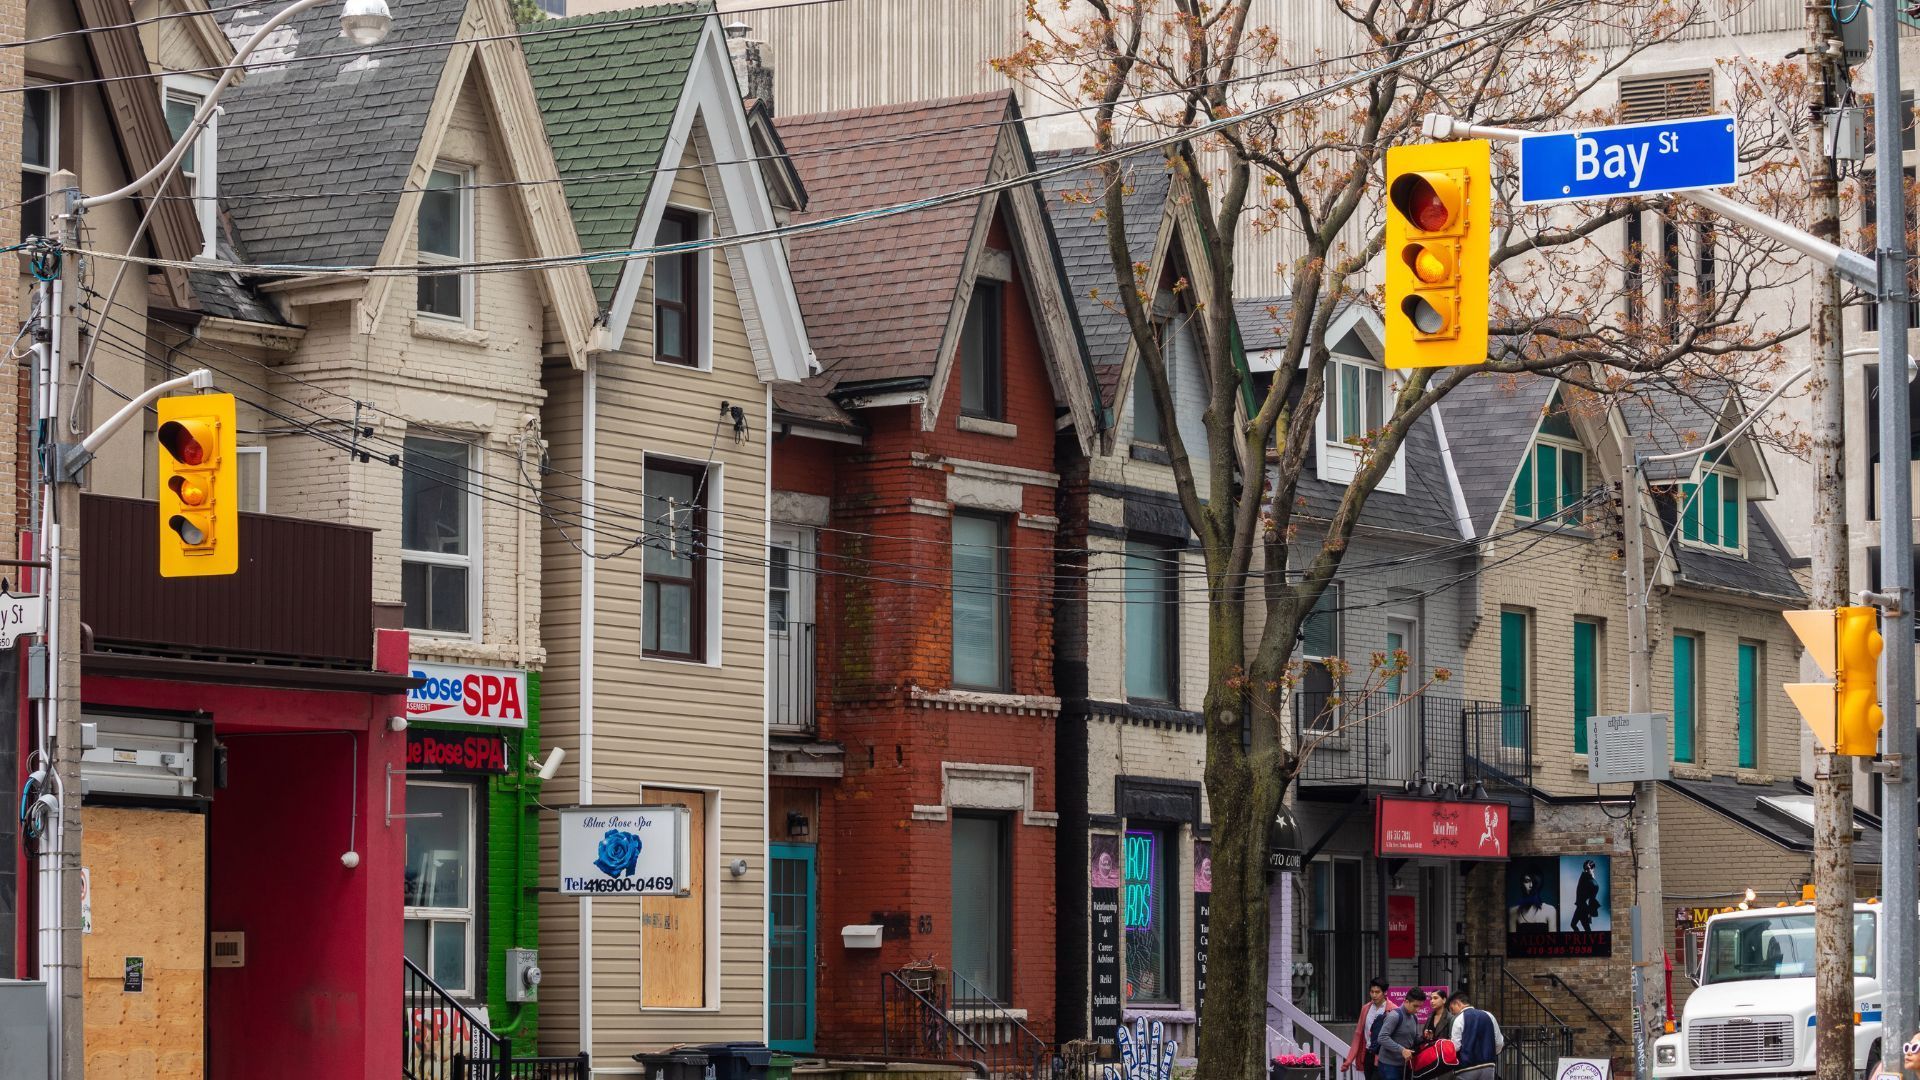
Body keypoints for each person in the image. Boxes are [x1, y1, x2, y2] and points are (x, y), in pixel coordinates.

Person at [1344, 979, 1391, 1078]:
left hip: (1383, 1055)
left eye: (1377, 992)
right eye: (1372, 992)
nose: (1374, 995)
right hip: (1367, 1054)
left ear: (1385, 993)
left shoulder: (1392, 1009)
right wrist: (1349, 1060)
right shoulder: (1366, 1008)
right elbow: (1358, 1034)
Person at [1447, 991, 1505, 1069]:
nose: (1452, 1012)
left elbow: (1455, 1047)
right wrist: (1491, 1054)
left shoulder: (1458, 1019)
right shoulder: (1489, 1015)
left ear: (1458, 1003)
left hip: (1467, 1067)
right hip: (1488, 1065)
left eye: (1451, 1008)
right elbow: (1499, 1042)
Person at [1375, 990, 1423, 1080]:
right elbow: (1382, 1038)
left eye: (1420, 1007)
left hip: (1405, 1065)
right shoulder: (1394, 1016)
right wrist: (1402, 1050)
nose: (1417, 1010)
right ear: (1406, 1001)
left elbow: (1414, 1038)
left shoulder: (1414, 1017)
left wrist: (1425, 1038)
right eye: (1415, 1006)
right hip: (1389, 1066)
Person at [1569, 859, 1602, 932]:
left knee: (1586, 929)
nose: (1585, 871)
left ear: (1593, 868)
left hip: (1584, 909)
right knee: (1575, 925)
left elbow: (1591, 899)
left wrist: (1589, 913)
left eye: (1587, 869)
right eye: (1584, 869)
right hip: (1580, 907)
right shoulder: (1584, 877)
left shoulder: (1594, 884)